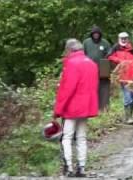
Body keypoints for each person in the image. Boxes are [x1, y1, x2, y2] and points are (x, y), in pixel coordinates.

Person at [53, 38, 98, 177]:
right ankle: (82, 168)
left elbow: (67, 89)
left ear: (69, 50)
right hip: (86, 106)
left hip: (72, 107)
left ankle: (69, 168)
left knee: (66, 137)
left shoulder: (72, 64)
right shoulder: (91, 63)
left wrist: (58, 110)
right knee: (81, 137)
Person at [107, 32, 133, 125]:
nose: (123, 40)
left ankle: (130, 116)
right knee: (128, 98)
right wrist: (119, 61)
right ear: (119, 39)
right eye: (122, 38)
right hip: (123, 77)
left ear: (128, 39)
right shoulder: (115, 49)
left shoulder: (132, 50)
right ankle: (128, 118)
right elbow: (109, 57)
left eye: (125, 38)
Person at [83, 26, 111, 112]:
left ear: (100, 34)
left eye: (97, 34)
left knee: (104, 88)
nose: (96, 35)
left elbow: (110, 53)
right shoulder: (86, 42)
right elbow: (82, 54)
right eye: (94, 34)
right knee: (91, 88)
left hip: (103, 68)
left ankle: (104, 107)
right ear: (92, 34)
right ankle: (92, 108)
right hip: (89, 69)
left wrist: (107, 57)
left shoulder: (105, 42)